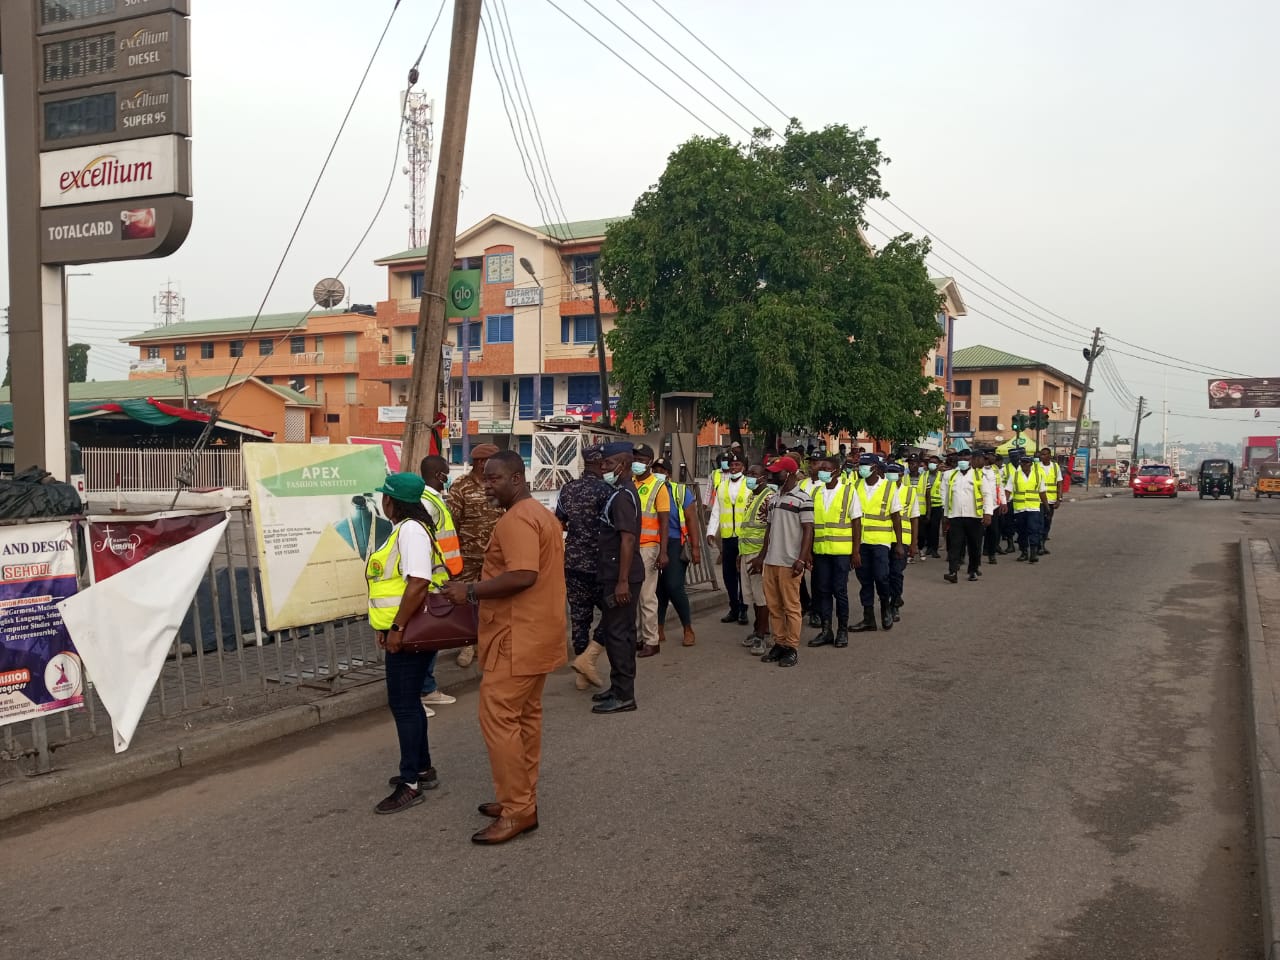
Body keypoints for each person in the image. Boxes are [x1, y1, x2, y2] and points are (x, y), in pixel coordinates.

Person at [441, 452, 566, 845]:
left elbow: (524, 574)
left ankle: (517, 810)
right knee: (525, 718)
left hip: (516, 637)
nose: (486, 485)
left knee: (498, 719)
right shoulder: (538, 513)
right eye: (484, 478)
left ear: (517, 477)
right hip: (536, 633)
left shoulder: (517, 520)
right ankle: (521, 799)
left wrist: (471, 590)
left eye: (494, 479)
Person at [366, 472, 450, 815]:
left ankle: (410, 782)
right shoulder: (409, 529)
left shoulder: (411, 530)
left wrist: (397, 627)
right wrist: (387, 625)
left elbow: (418, 582)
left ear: (391, 501)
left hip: (411, 631)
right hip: (406, 629)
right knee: (409, 702)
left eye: (384, 497)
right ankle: (423, 768)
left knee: (403, 704)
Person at [590, 441, 644, 714]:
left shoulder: (623, 495)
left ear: (621, 465)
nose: (603, 468)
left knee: (618, 634)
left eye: (608, 464)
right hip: (617, 572)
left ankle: (624, 695)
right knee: (621, 633)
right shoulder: (620, 491)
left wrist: (622, 581)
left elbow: (627, 540)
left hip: (621, 575)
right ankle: (618, 687)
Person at [748, 456, 813, 667]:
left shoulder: (803, 499)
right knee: (774, 606)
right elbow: (769, 529)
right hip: (771, 560)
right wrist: (762, 556)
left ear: (790, 474)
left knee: (791, 606)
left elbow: (808, 531)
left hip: (790, 561)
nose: (774, 475)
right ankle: (779, 642)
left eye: (778, 472)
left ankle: (791, 647)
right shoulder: (774, 498)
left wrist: (801, 559)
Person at [557, 444, 612, 691]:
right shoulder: (607, 491)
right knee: (615, 612)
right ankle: (588, 658)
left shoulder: (567, 489)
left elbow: (559, 522)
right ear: (602, 464)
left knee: (580, 617)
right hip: (600, 564)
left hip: (573, 562)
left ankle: (581, 673)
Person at [448, 443, 504, 668]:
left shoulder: (500, 485)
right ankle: (467, 643)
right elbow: (452, 522)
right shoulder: (460, 486)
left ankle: (487, 643)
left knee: (492, 599)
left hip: (495, 555)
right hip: (468, 555)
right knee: (467, 599)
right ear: (481, 463)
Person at [416, 454, 464, 714]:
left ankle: (428, 689)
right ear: (438, 475)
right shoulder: (426, 501)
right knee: (423, 639)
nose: (449, 477)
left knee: (431, 638)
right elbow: (420, 543)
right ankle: (418, 695)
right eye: (447, 472)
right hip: (427, 581)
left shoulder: (433, 499)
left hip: (438, 578)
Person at [807, 457, 861, 648]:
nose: (821, 471)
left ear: (836, 471)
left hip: (841, 551)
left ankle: (842, 631)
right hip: (820, 551)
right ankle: (826, 630)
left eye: (826, 468)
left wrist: (856, 552)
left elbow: (856, 522)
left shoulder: (848, 491)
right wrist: (808, 552)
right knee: (822, 591)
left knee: (840, 591)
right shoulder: (815, 492)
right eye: (821, 468)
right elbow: (810, 525)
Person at [850, 455, 904, 632]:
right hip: (860, 541)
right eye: (859, 465)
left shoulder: (888, 487)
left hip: (881, 541)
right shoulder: (856, 486)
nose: (860, 469)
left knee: (881, 577)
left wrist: (899, 543)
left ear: (874, 467)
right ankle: (868, 618)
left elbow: (896, 517)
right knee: (865, 580)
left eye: (864, 465)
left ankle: (885, 608)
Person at [651, 457, 701, 649]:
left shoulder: (679, 491)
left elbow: (691, 520)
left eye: (662, 470)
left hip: (675, 543)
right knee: (659, 588)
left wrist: (695, 548)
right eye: (655, 469)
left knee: (674, 585)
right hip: (652, 542)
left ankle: (687, 628)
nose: (658, 473)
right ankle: (659, 627)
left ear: (669, 474)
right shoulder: (647, 489)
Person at [631, 444, 671, 659]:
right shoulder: (631, 483)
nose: (636, 461)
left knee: (647, 596)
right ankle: (638, 638)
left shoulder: (659, 486)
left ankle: (651, 641)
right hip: (632, 547)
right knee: (635, 596)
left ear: (649, 461)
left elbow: (664, 523)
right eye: (634, 457)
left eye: (640, 458)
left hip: (648, 547)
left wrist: (663, 552)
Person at [706, 450, 750, 626]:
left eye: (737, 465)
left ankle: (744, 609)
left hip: (744, 536)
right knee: (728, 575)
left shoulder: (749, 485)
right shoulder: (722, 486)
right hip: (727, 536)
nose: (733, 468)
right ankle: (734, 606)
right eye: (731, 465)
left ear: (743, 467)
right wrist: (710, 531)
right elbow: (716, 510)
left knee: (743, 575)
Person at [737, 463, 776, 656]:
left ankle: (762, 635)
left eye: (754, 474)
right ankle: (758, 629)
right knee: (751, 595)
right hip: (746, 552)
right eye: (749, 473)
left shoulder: (769, 498)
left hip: (758, 554)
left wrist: (762, 557)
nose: (749, 477)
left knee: (761, 597)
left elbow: (772, 529)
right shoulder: (752, 496)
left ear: (764, 477)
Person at [942, 453, 991, 584]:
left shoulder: (979, 475)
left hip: (974, 516)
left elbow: (987, 495)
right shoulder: (952, 476)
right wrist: (946, 514)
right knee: (954, 545)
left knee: (974, 545)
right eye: (961, 459)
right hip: (956, 516)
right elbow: (947, 497)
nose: (963, 461)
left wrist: (988, 513)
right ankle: (952, 571)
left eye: (966, 459)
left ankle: (973, 570)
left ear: (971, 461)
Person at [884, 460, 918, 623]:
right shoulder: (882, 490)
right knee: (884, 574)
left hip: (902, 540)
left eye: (894, 472)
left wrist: (913, 543)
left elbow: (914, 518)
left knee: (896, 572)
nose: (890, 475)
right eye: (888, 471)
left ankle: (894, 603)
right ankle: (892, 600)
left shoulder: (909, 492)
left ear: (901, 475)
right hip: (882, 538)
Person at [1007, 452, 1049, 563]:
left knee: (1033, 530)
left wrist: (1046, 506)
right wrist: (1004, 503)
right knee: (1021, 531)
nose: (1024, 465)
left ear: (1031, 464)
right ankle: (1024, 552)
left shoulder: (1038, 475)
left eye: (1026, 463)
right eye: (1022, 463)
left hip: (1033, 508)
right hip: (1020, 508)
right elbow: (1008, 490)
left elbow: (1042, 492)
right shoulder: (1015, 475)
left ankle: (1033, 553)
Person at [981, 452, 1007, 566]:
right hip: (979, 507)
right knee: (977, 533)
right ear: (986, 457)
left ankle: (992, 554)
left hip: (994, 505)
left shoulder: (995, 469)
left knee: (994, 531)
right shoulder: (978, 470)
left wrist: (1004, 502)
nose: (995, 458)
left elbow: (1000, 486)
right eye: (993, 456)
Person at [1036, 448, 1064, 551]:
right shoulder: (1036, 466)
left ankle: (1043, 543)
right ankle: (1039, 546)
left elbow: (1059, 483)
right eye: (1041, 455)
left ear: (1049, 456)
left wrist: (1059, 498)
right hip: (1039, 500)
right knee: (1040, 523)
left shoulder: (1055, 467)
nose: (1041, 456)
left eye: (1044, 455)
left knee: (1048, 522)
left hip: (1051, 501)